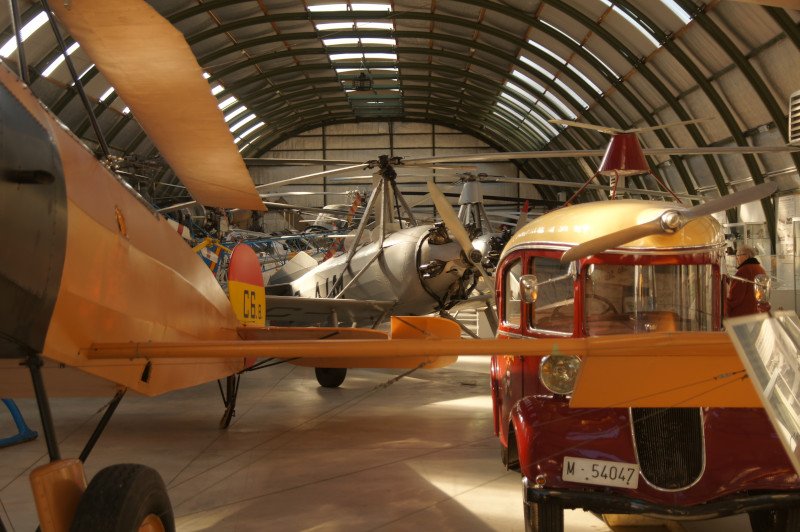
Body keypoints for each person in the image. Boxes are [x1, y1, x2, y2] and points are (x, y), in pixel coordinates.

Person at [725, 244, 768, 317]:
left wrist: (725, 307)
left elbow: (735, 297)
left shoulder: (744, 271)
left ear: (747, 256)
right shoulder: (761, 269)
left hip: (743, 315)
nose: (736, 258)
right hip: (756, 313)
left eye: (738, 255)